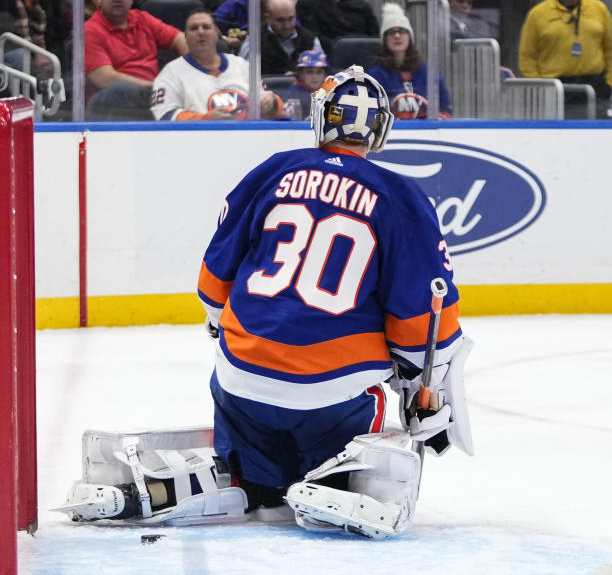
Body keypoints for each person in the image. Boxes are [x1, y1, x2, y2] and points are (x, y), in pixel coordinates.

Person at [56, 65, 473, 540]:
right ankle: (339, 475)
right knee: (374, 405)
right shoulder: (402, 197)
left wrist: (226, 325)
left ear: (321, 118)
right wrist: (425, 398)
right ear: (380, 131)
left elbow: (214, 282)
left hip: (240, 386)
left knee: (252, 455)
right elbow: (424, 327)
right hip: (333, 399)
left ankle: (244, 480)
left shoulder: (274, 170)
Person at [84, 0, 187, 120]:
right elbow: (105, 79)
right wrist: (156, 87)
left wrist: (189, 74)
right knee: (124, 89)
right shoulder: (90, 30)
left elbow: (181, 39)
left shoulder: (142, 19)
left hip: (150, 97)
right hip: (109, 104)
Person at [518, 0, 612, 113]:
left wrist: (610, 83)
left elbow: (611, 50)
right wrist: (538, 86)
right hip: (554, 88)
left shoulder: (599, 9)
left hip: (595, 88)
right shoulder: (537, 14)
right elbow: (526, 56)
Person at [150, 8, 281, 120]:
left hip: (247, 137)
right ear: (186, 36)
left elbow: (270, 103)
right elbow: (166, 116)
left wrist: (272, 103)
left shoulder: (241, 65)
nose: (200, 32)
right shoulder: (171, 72)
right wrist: (206, 119)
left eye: (206, 27)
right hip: (197, 143)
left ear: (217, 34)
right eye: (194, 28)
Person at [367, 2, 452, 119]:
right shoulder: (375, 75)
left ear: (409, 37)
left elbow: (446, 111)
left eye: (401, 31)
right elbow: (371, 115)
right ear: (385, 39)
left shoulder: (429, 73)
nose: (397, 36)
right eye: (391, 32)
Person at [240, 0, 326, 76]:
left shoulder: (310, 39)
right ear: (268, 18)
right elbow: (244, 76)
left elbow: (321, 74)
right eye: (280, 20)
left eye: (291, 19)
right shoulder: (255, 40)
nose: (287, 25)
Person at [282, 48, 327, 120]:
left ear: (325, 75)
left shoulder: (331, 90)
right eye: (309, 72)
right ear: (301, 74)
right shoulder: (294, 92)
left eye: (319, 72)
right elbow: (291, 120)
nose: (315, 77)